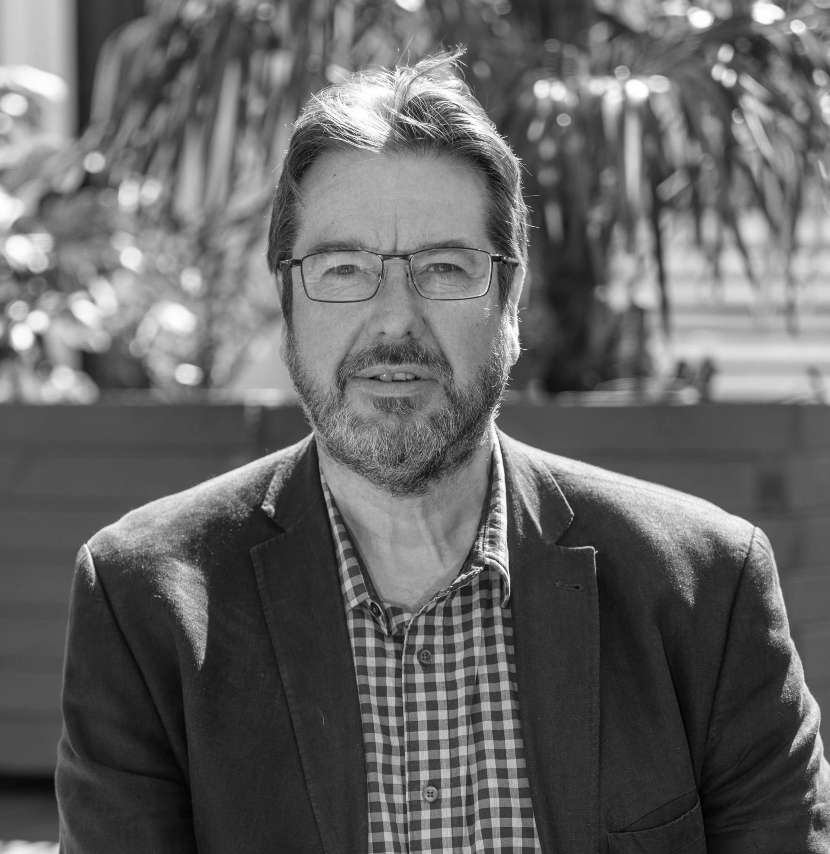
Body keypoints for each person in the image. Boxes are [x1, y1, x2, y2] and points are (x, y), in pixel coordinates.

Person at [56, 53, 830, 853]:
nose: (395, 321)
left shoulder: (705, 590)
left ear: (511, 299)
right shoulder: (143, 603)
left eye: (444, 269)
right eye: (344, 268)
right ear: (287, 301)